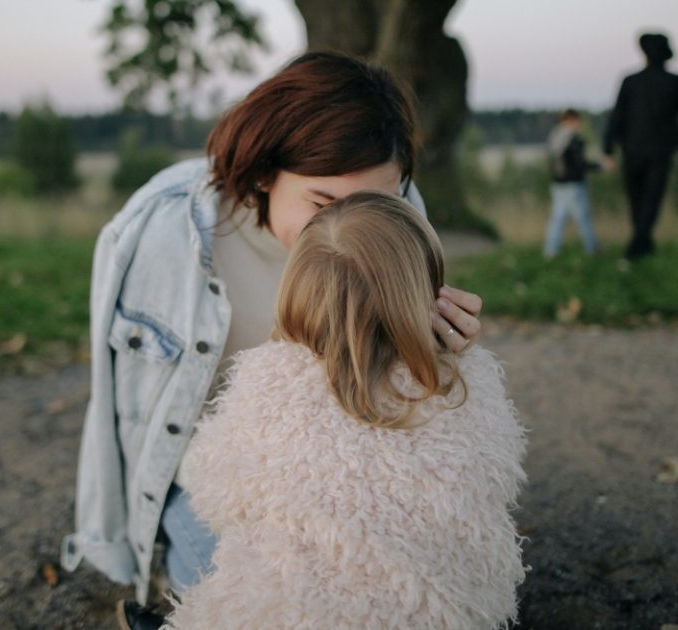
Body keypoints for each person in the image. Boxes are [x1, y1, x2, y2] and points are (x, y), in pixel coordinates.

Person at [60, 52, 486, 615]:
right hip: (211, 480)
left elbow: (396, 394)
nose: (350, 227)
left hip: (340, 472)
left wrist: (439, 347)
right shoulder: (164, 234)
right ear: (265, 172)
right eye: (322, 202)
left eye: (378, 203)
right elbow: (122, 410)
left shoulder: (403, 220)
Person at [164, 191, 527, 630]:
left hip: (294, 617)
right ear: (428, 292)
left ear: (297, 286)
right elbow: (501, 478)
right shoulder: (462, 381)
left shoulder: (270, 377)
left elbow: (213, 491)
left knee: (183, 517)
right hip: (444, 614)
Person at [602, 32, 678, 260]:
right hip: (661, 150)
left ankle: (637, 246)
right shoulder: (675, 82)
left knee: (637, 198)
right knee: (652, 198)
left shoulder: (631, 81)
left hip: (633, 149)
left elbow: (617, 116)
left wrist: (608, 149)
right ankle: (642, 244)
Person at [543, 108, 600, 258]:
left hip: (558, 184)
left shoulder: (555, 137)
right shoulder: (572, 139)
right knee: (583, 218)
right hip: (574, 184)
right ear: (571, 120)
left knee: (557, 219)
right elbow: (580, 163)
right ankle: (592, 248)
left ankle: (551, 250)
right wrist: (599, 166)